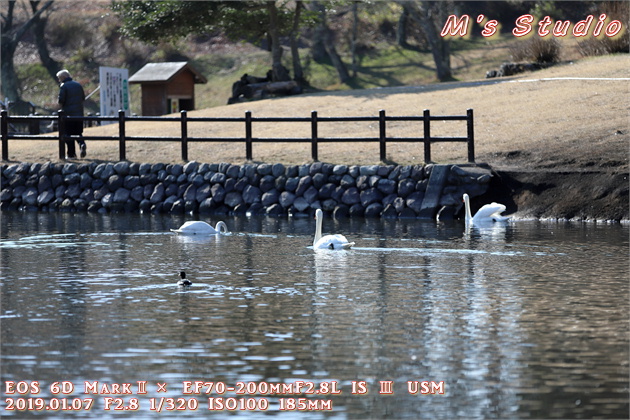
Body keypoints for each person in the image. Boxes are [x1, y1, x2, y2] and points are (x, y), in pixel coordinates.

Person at [57, 69, 86, 158]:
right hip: (79, 114)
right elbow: (83, 98)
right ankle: (82, 143)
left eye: (59, 78)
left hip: (68, 115)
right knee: (78, 132)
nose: (59, 80)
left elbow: (61, 100)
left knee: (67, 134)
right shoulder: (78, 85)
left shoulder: (64, 86)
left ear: (63, 77)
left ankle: (71, 154)